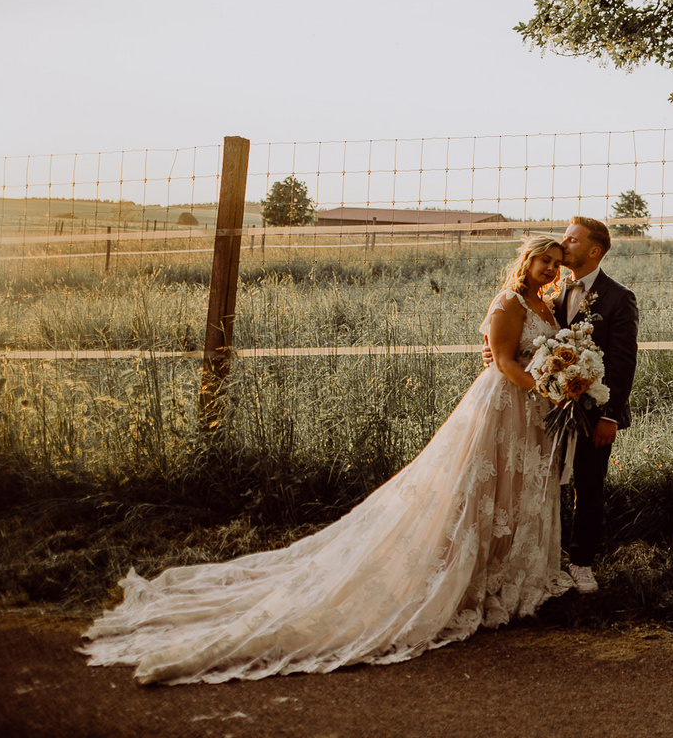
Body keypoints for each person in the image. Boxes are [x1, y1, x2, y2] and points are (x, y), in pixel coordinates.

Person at [81, 237, 574, 684]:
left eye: (554, 263)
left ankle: (505, 576)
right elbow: (504, 361)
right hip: (506, 404)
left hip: (530, 411)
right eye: (541, 260)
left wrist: (561, 380)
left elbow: (537, 353)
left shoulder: (546, 305)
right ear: (525, 260)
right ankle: (464, 577)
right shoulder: (508, 301)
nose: (548, 268)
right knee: (480, 490)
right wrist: (550, 391)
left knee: (514, 490)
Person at [488, 215, 639, 592]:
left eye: (571, 240)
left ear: (593, 250)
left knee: (588, 485)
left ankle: (582, 562)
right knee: (541, 483)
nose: (563, 244)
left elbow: (623, 363)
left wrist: (611, 417)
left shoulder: (619, 298)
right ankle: (540, 556)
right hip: (546, 410)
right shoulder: (550, 297)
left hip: (594, 412)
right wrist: (495, 355)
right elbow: (520, 337)